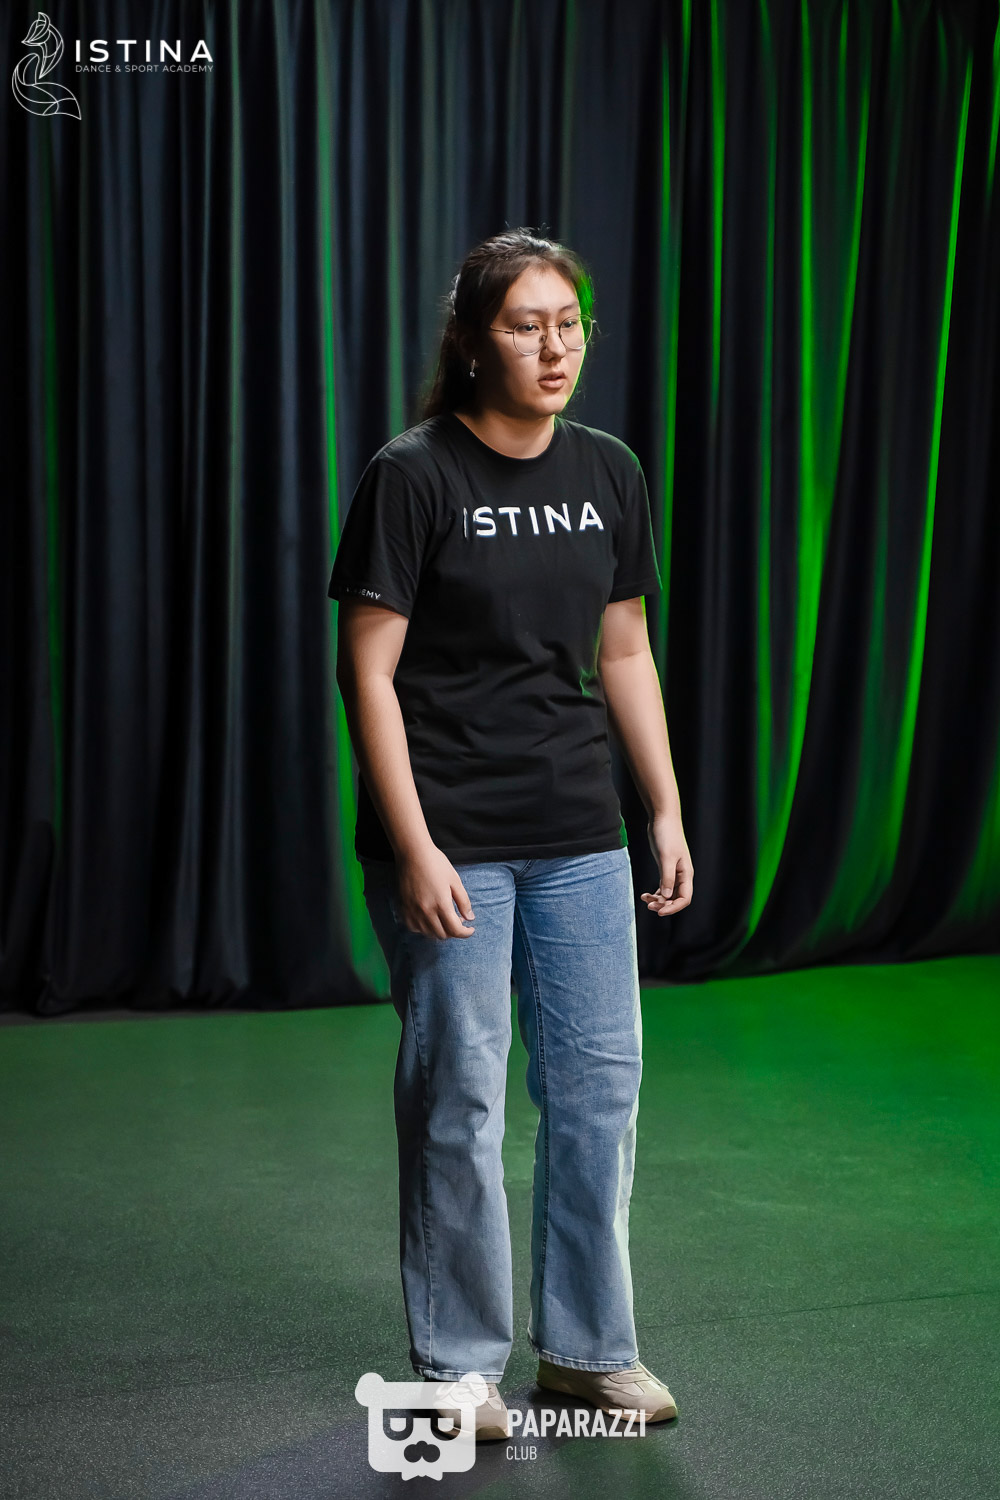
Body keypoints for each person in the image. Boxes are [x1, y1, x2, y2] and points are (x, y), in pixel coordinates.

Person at [329, 227, 693, 1441]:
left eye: (569, 324)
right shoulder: (413, 474)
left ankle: (587, 1354)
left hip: (579, 830)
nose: (554, 347)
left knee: (597, 1093)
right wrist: (415, 846)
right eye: (526, 325)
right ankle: (457, 1367)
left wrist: (662, 808)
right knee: (461, 1101)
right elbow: (367, 676)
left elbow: (624, 651)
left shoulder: (608, 470)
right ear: (473, 343)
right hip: (456, 836)